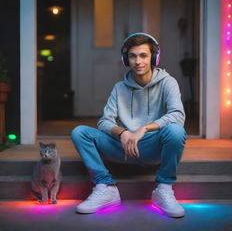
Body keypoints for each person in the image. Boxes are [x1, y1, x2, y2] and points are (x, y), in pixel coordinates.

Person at [71, 32, 187, 218]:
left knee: (175, 130)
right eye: (132, 56)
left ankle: (163, 188)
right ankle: (106, 187)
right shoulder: (119, 88)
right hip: (123, 148)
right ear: (126, 59)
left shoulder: (168, 83)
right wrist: (122, 132)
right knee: (80, 132)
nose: (138, 61)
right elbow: (104, 121)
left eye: (143, 55)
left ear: (154, 57)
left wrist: (144, 128)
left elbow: (177, 115)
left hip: (152, 147)